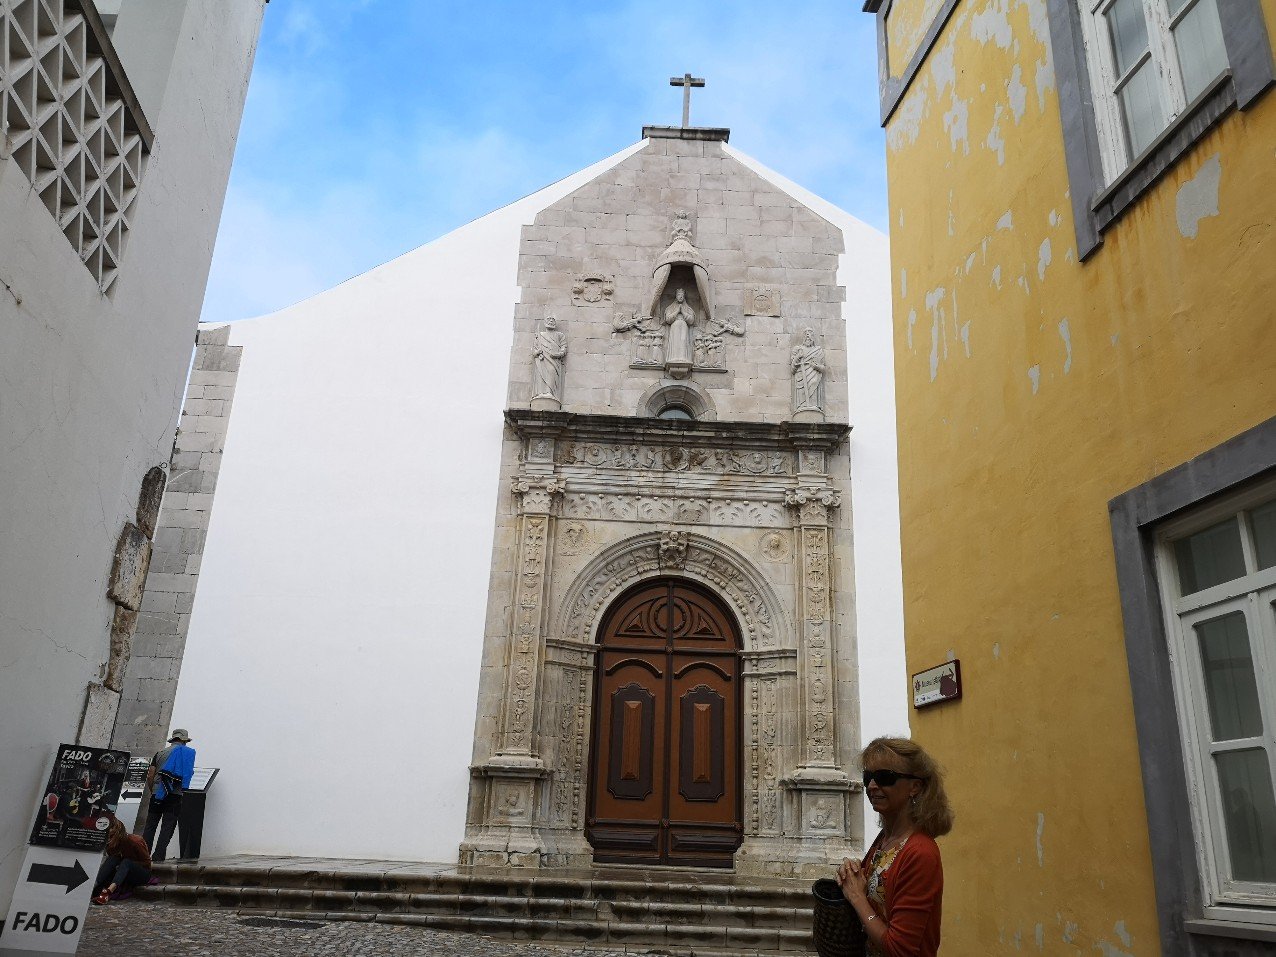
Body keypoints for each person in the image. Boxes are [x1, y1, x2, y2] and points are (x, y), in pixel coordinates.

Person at [837, 737, 953, 957]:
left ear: (915, 787)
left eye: (885, 777)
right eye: (868, 777)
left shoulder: (920, 853)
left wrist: (857, 897)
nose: (872, 786)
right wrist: (853, 874)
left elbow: (900, 949)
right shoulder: (885, 839)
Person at [143, 728, 196, 861]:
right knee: (167, 826)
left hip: (157, 793)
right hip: (174, 794)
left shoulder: (160, 753)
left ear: (173, 739)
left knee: (150, 825)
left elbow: (150, 774)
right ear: (184, 741)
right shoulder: (187, 753)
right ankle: (158, 856)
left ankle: (143, 855)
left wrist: (153, 790)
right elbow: (188, 773)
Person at [92, 818, 152, 905]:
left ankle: (108, 892)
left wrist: (125, 864)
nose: (108, 839)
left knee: (126, 862)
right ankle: (94, 886)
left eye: (111, 836)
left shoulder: (135, 841)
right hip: (122, 872)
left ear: (118, 834)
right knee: (112, 859)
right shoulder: (111, 845)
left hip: (142, 873)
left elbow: (147, 863)